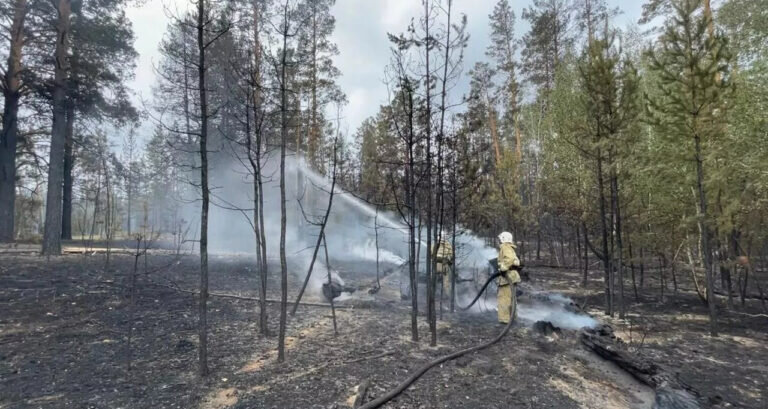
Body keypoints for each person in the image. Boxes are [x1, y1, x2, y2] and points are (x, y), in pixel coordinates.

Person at [497, 231, 521, 324]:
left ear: (503, 239)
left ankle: (504, 320)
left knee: (504, 298)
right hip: (512, 276)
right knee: (512, 298)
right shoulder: (510, 247)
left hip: (507, 276)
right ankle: (512, 318)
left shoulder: (505, 247)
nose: (499, 241)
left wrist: (503, 268)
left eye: (500, 239)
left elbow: (509, 259)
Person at [432, 231, 454, 302]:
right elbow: (451, 256)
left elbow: (431, 254)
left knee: (436, 280)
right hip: (443, 265)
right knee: (446, 282)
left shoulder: (435, 244)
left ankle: (433, 294)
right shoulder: (448, 245)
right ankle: (447, 296)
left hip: (439, 265)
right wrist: (448, 261)